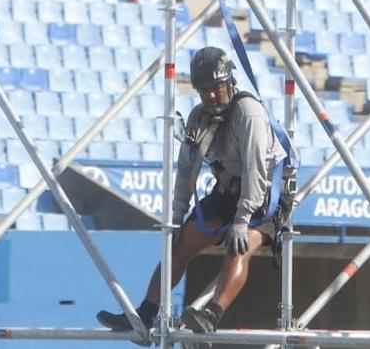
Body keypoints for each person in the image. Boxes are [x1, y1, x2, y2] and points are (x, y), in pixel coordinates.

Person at [97, 47, 280, 336]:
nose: (210, 96)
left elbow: (257, 172)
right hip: (227, 192)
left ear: (229, 83)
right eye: (203, 90)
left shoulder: (249, 113)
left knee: (239, 246)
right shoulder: (199, 116)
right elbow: (186, 170)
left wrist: (242, 221)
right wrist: (178, 217)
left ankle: (212, 314)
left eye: (216, 88)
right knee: (179, 245)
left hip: (265, 197)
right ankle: (144, 314)